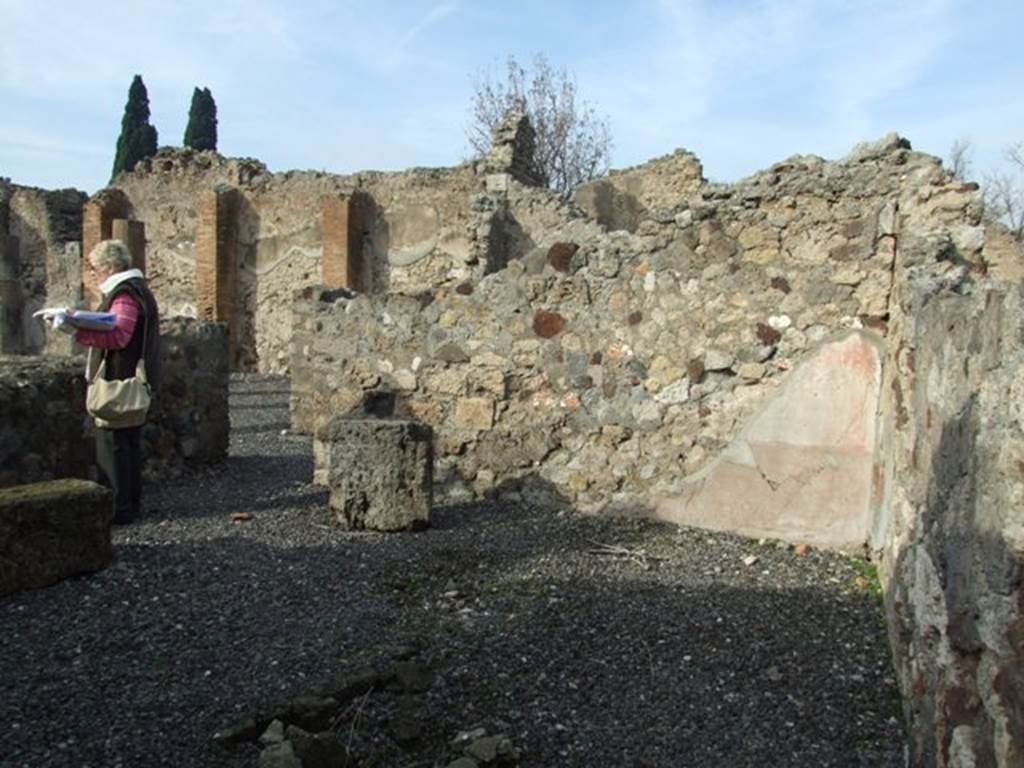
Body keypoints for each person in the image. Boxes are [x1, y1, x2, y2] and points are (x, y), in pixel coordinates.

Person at [67, 239, 161, 524]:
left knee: (115, 446)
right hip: (132, 380)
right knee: (127, 445)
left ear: (110, 267)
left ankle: (120, 509)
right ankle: (128, 505)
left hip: (120, 382)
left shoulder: (124, 294)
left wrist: (78, 330)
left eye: (95, 268)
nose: (93, 274)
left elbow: (119, 335)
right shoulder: (136, 290)